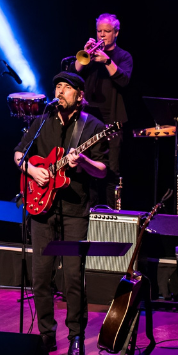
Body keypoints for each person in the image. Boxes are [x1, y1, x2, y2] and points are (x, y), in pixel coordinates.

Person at [13, 72, 108, 355]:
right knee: (40, 276)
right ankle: (46, 335)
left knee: (72, 278)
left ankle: (76, 336)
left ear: (80, 95)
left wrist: (84, 161)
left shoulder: (93, 126)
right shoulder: (43, 120)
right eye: (58, 86)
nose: (60, 91)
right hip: (42, 210)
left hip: (74, 211)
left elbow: (103, 170)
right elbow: (18, 155)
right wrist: (32, 170)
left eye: (67, 87)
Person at [65, 12, 131, 208]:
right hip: (88, 120)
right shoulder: (90, 58)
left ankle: (111, 214)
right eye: (99, 31)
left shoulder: (123, 56)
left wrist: (107, 61)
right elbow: (70, 77)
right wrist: (84, 56)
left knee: (111, 171)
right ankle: (88, 212)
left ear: (116, 33)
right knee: (87, 168)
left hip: (112, 121)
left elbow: (124, 80)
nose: (102, 35)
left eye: (107, 31)